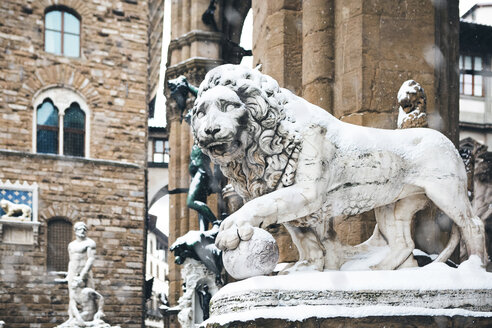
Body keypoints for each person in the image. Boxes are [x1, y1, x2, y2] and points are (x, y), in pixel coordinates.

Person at [66, 222, 96, 289]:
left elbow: (91, 259)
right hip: (73, 273)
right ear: (75, 230)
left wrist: (83, 275)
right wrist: (69, 274)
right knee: (73, 296)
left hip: (85, 273)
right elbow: (71, 260)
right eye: (80, 229)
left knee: (88, 295)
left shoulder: (90, 243)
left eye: (84, 229)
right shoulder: (71, 245)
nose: (82, 231)